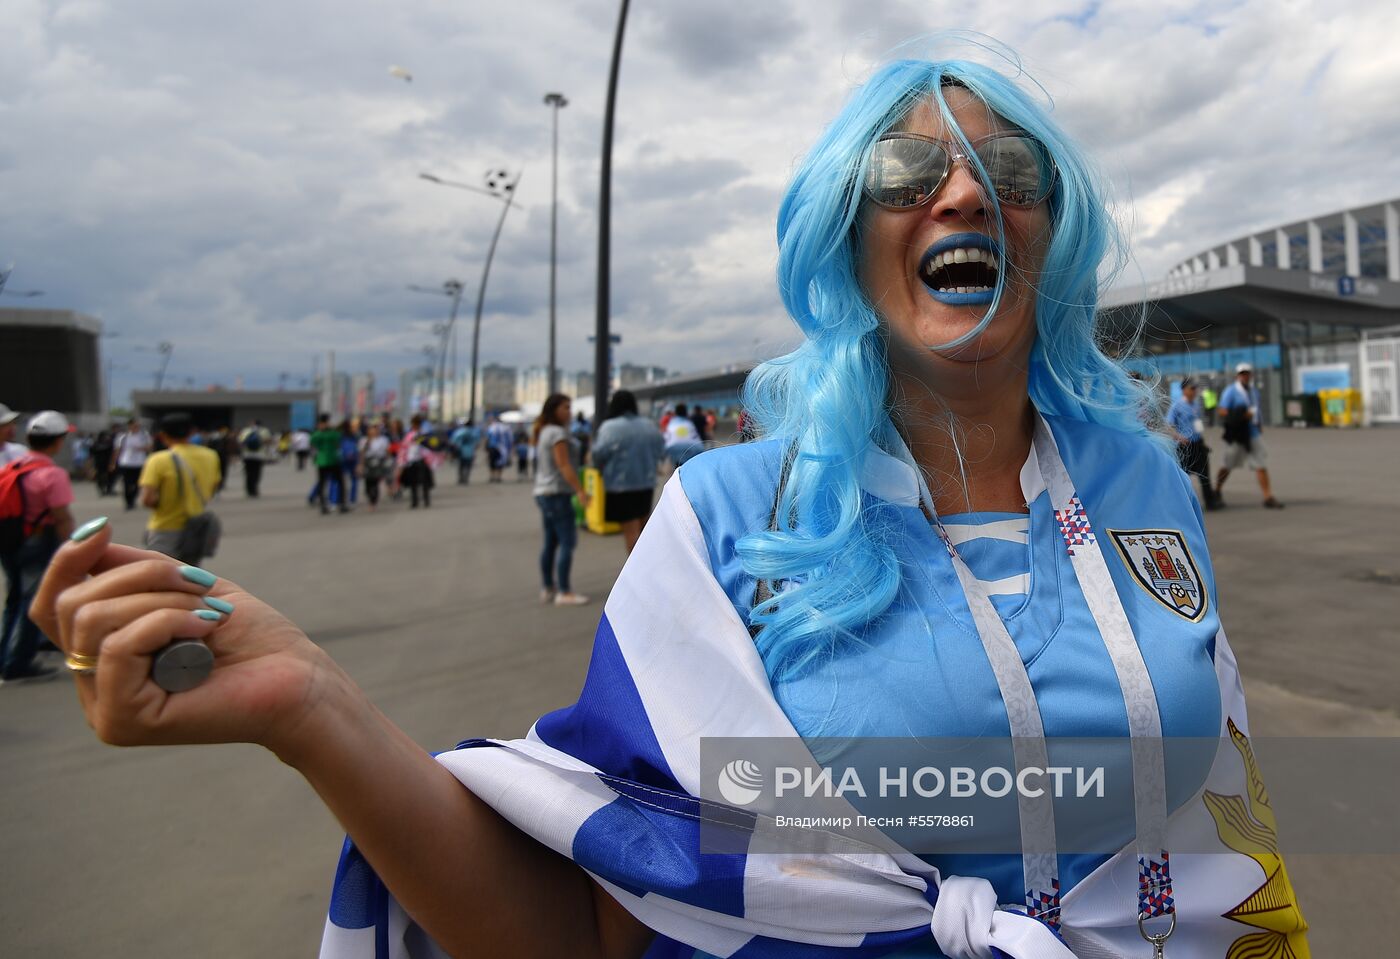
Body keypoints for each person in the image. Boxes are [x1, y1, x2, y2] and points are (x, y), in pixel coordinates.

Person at [30, 47, 1308, 959]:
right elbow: (596, 920)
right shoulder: (722, 516)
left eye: (1005, 168)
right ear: (842, 235)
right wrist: (311, 708)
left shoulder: (1139, 481)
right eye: (904, 168)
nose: (961, 193)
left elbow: (1222, 822)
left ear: (1052, 224)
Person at [0, 411, 75, 682]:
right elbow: (61, 517)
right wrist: (72, 548)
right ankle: (17, 663)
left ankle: (4, 655)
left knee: (14, 599)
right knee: (33, 604)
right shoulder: (52, 474)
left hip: (9, 539)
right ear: (57, 441)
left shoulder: (14, 466)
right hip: (37, 541)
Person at [138, 413, 222, 564]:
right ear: (191, 432)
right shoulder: (211, 456)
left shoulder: (158, 460)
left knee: (160, 578)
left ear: (162, 435)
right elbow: (213, 488)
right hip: (196, 528)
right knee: (189, 579)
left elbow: (147, 499)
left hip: (165, 527)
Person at [532, 393, 590, 606]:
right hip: (557, 493)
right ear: (554, 409)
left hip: (544, 492)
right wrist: (580, 490)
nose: (569, 411)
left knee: (550, 542)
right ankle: (564, 591)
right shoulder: (557, 433)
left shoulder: (546, 431)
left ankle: (548, 587)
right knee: (567, 541)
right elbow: (564, 465)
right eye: (565, 407)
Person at [590, 389, 665, 553]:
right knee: (643, 529)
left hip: (620, 485)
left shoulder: (609, 427)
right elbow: (661, 449)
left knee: (631, 532)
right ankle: (651, 565)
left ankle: (639, 572)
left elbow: (598, 454)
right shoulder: (649, 425)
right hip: (646, 483)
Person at [1216, 362, 1284, 509]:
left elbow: (1256, 410)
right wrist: (1238, 415)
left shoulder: (1254, 391)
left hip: (1252, 432)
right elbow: (1222, 410)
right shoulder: (1231, 391)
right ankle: (1217, 490)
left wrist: (1259, 424)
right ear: (1237, 376)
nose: (1245, 376)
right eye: (1242, 374)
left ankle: (1268, 496)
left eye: (1247, 373)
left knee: (1261, 463)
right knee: (1228, 464)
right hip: (1237, 433)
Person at [1167, 378, 1220, 510]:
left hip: (1198, 444)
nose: (1194, 391)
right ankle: (1181, 503)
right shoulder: (1177, 406)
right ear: (1184, 390)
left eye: (1195, 389)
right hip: (1185, 446)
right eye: (1191, 389)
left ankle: (1210, 501)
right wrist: (1179, 437)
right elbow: (1169, 425)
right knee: (1183, 476)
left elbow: (1198, 424)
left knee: (1205, 474)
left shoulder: (1196, 405)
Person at [396, 414, 439, 509]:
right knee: (418, 482)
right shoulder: (416, 434)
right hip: (416, 460)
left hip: (419, 460)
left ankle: (419, 501)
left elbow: (429, 445)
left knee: (419, 482)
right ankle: (419, 501)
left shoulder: (420, 434)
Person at [309, 414, 347, 515]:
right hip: (333, 459)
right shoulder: (332, 433)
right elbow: (338, 440)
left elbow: (313, 441)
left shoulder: (317, 433)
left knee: (322, 483)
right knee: (339, 482)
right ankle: (341, 504)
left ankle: (324, 505)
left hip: (322, 460)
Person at [111, 418, 152, 510]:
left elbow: (150, 447)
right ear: (129, 426)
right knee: (127, 483)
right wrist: (113, 463)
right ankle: (128, 502)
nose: (136, 427)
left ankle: (134, 497)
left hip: (140, 462)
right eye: (134, 426)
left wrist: (142, 448)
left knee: (139, 483)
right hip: (126, 463)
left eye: (137, 426)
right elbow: (117, 450)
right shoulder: (122, 437)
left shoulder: (144, 436)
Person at [358, 422, 392, 511]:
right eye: (371, 430)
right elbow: (362, 453)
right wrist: (361, 464)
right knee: (368, 483)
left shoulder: (383, 440)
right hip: (368, 462)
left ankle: (373, 501)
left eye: (375, 430)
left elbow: (387, 451)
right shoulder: (364, 440)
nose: (373, 432)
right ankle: (369, 497)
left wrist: (388, 461)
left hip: (379, 462)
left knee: (375, 482)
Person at [238, 419, 274, 498]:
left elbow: (240, 442)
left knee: (248, 473)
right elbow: (269, 441)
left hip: (247, 455)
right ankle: (254, 489)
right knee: (256, 473)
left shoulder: (245, 430)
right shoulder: (264, 431)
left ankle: (249, 490)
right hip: (259, 455)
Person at [662, 402, 704, 466]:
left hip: (674, 449)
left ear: (675, 413)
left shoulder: (672, 423)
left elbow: (666, 437)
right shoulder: (690, 424)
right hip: (691, 450)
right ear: (686, 413)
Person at [449, 418, 480, 485]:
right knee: (468, 466)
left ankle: (461, 478)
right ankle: (466, 478)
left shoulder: (459, 431)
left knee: (461, 466)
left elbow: (453, 441)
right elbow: (477, 443)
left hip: (461, 450)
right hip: (470, 451)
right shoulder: (474, 432)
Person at [485, 415, 513, 483]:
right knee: (500, 463)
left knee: (492, 462)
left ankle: (492, 476)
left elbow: (487, 438)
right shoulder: (506, 428)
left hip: (493, 447)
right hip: (503, 448)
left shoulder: (492, 427)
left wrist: (486, 447)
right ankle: (498, 477)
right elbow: (510, 439)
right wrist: (510, 449)